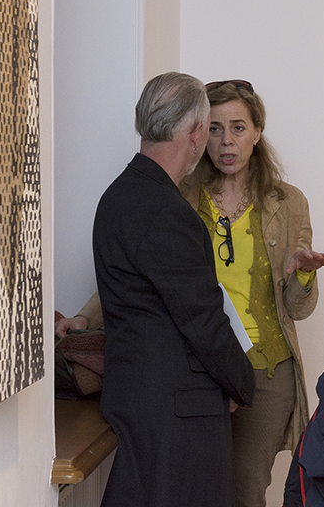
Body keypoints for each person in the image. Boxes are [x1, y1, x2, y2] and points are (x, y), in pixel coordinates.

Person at [60, 79, 324, 507]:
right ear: (199, 133)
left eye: (238, 128)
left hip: (254, 372)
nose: (226, 140)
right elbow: (171, 296)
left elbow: (293, 308)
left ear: (257, 133)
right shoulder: (176, 199)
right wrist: (85, 318)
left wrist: (302, 277)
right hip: (203, 376)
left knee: (241, 490)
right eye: (216, 128)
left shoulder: (286, 202)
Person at [92, 72, 256, 507]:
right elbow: (203, 320)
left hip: (140, 398)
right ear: (197, 133)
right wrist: (242, 382)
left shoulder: (117, 196)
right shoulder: (166, 211)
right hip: (177, 416)